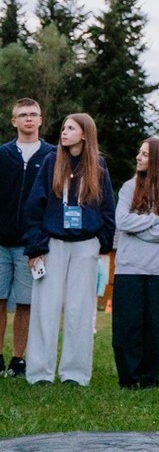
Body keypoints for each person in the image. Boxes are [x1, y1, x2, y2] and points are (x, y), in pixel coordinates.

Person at [23, 113, 115, 386]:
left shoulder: (98, 166)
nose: (64, 132)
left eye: (71, 128)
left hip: (86, 245)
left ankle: (75, 373)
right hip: (52, 244)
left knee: (80, 309)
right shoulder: (52, 161)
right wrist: (35, 246)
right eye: (63, 127)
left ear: (85, 134)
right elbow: (34, 206)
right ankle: (40, 373)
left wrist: (101, 240)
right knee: (45, 308)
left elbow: (107, 207)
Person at [112, 137, 159, 389]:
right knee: (127, 326)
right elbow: (122, 221)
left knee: (157, 328)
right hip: (129, 267)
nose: (138, 157)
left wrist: (140, 229)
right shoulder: (128, 188)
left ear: (158, 160)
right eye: (139, 152)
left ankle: (149, 377)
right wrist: (155, 218)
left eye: (144, 154)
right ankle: (129, 378)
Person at [0, 99, 55, 378]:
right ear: (14, 121)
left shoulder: (52, 155)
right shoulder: (3, 154)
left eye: (34, 114)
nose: (29, 119)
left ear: (41, 120)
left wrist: (40, 241)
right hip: (1, 241)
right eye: (23, 115)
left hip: (31, 244)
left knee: (25, 303)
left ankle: (17, 359)